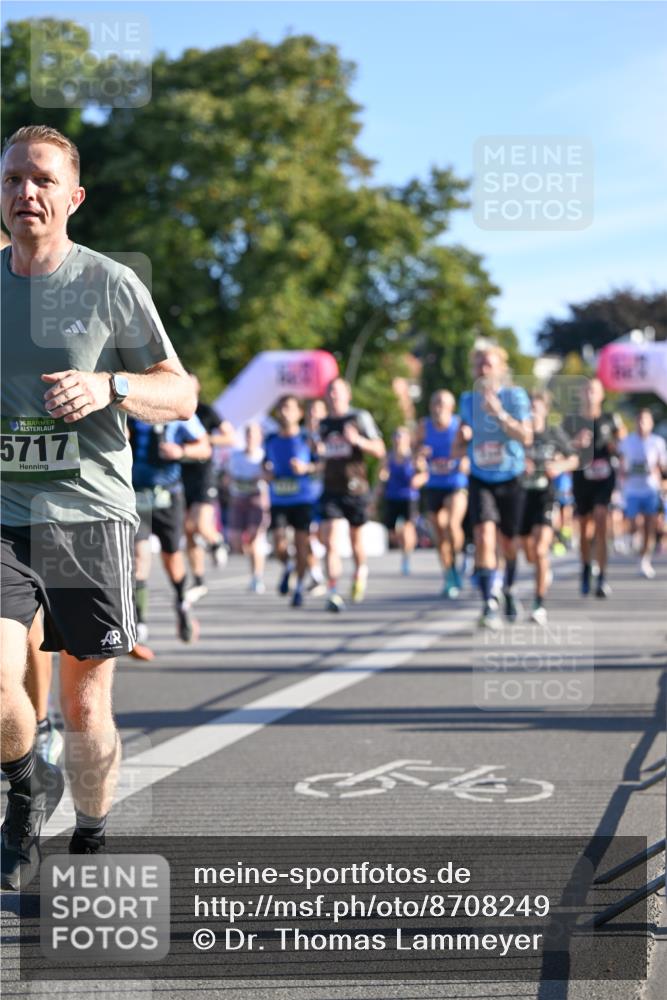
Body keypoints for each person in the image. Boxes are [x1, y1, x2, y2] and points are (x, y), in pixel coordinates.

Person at [1, 125, 195, 885]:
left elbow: (180, 391)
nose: (26, 192)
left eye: (43, 179)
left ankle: (89, 839)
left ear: (72, 197)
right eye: (14, 178)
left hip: (90, 519)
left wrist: (111, 386)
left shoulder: (109, 283)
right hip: (8, 517)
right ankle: (24, 784)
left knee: (84, 710)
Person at [453, 343, 532, 629]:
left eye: (488, 364)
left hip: (510, 477)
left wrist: (499, 413)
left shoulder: (516, 396)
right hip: (480, 477)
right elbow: (456, 447)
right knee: (484, 536)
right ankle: (488, 604)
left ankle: (509, 588)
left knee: (509, 543)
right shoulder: (466, 400)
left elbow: (526, 437)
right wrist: (462, 437)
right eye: (478, 365)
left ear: (501, 368)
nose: (483, 370)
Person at [129, 415, 210, 643]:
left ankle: (182, 601)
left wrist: (181, 451)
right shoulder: (130, 403)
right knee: (138, 557)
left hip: (168, 495)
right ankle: (140, 622)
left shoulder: (178, 410)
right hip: (136, 494)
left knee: (172, 558)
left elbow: (205, 448)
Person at [318, 377, 386, 612]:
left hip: (356, 488)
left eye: (337, 391)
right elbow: (317, 455)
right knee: (331, 541)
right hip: (331, 489)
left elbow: (380, 449)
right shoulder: (322, 423)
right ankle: (333, 591)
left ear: (347, 394)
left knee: (356, 541)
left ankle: (359, 572)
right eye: (330, 392)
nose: (333, 396)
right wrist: (317, 454)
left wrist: (357, 441)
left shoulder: (359, 418)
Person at [519, 391, 578, 624]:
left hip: (546, 495)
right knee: (529, 551)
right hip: (523, 496)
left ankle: (538, 603)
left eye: (536, 407)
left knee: (541, 549)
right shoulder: (520, 433)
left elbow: (573, 458)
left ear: (545, 409)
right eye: (529, 407)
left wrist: (559, 465)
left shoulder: (553, 433)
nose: (533, 411)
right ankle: (543, 572)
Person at [564, 379, 622, 598]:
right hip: (582, 478)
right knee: (585, 528)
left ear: (601, 395)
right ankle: (586, 566)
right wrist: (574, 443)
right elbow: (562, 447)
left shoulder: (610, 419)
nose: (589, 394)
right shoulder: (572, 421)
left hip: (605, 476)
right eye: (586, 390)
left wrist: (616, 447)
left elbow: (621, 442)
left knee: (601, 519)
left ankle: (602, 577)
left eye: (593, 391)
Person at [181, 372, 235, 603]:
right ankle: (199, 580)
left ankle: (217, 541)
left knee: (200, 524)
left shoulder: (206, 412)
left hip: (204, 472)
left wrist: (204, 441)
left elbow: (230, 437)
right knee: (188, 530)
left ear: (198, 386)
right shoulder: (174, 412)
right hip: (181, 473)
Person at [264, 396, 320, 607]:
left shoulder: (307, 437)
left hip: (303, 498)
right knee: (278, 543)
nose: (284, 412)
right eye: (281, 408)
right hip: (278, 497)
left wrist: (306, 468)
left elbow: (320, 465)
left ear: (299, 413)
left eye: (289, 408)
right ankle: (287, 567)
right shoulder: (270, 439)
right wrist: (266, 473)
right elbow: (264, 464)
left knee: (301, 543)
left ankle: (298, 588)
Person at [417, 390, 469, 597]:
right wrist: (419, 457)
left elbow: (469, 449)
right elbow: (414, 451)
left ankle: (461, 554)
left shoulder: (458, 426)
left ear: (451, 407)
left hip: (456, 483)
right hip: (434, 484)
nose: (438, 408)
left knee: (451, 524)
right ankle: (449, 574)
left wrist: (465, 460)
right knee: (438, 532)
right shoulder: (424, 426)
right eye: (435, 403)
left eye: (442, 403)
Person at [618, 408, 667, 579]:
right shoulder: (627, 441)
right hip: (632, 490)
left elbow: (663, 467)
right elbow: (621, 463)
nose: (641, 424)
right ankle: (632, 539)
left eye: (645, 420)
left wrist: (662, 483)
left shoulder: (658, 442)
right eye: (639, 420)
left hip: (650, 490)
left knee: (650, 528)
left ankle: (644, 560)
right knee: (634, 524)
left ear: (651, 423)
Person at [226, 423, 270, 592]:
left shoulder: (263, 456)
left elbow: (270, 477)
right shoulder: (236, 456)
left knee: (256, 538)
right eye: (248, 434)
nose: (251, 438)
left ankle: (257, 577)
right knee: (236, 541)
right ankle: (253, 563)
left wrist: (263, 476)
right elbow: (227, 477)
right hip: (238, 500)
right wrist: (229, 480)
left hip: (257, 501)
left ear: (260, 437)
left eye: (254, 435)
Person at [379, 427, 427, 576]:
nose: (398, 439)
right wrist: (377, 491)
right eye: (396, 436)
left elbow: (425, 474)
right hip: (392, 497)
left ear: (407, 439)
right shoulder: (389, 457)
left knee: (407, 528)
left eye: (401, 436)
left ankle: (406, 557)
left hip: (409, 497)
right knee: (392, 532)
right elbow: (381, 476)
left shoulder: (413, 457)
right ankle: (406, 543)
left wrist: (417, 480)